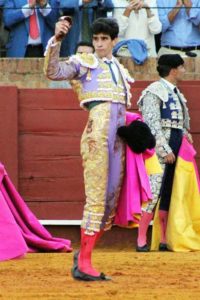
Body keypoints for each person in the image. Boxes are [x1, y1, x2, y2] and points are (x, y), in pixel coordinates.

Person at [44, 17, 134, 281]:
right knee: (96, 197)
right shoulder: (85, 63)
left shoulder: (119, 68)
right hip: (97, 135)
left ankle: (85, 254)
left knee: (110, 200)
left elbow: (121, 110)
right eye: (96, 39)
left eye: (104, 39)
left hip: (117, 138)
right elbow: (53, 72)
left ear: (114, 41)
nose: (99, 44)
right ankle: (84, 263)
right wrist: (57, 41)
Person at [136, 54, 191, 251]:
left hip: (177, 144)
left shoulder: (176, 93)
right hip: (160, 148)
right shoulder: (154, 91)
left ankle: (164, 239)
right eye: (182, 68)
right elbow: (152, 123)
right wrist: (164, 148)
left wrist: (186, 140)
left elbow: (181, 124)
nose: (184, 71)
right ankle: (141, 238)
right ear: (174, 70)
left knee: (169, 191)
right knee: (154, 190)